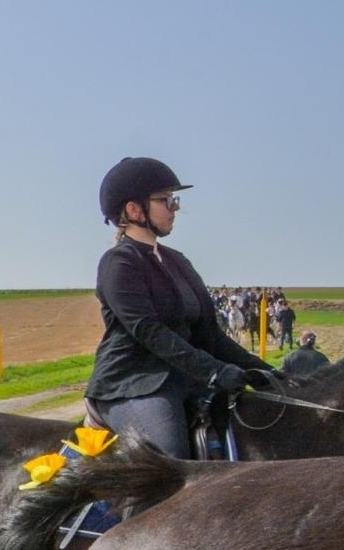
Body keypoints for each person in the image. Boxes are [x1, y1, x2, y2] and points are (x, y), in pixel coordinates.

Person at [84, 157, 275, 458]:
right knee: (171, 461)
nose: (174, 208)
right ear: (134, 210)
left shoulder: (178, 261)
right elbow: (150, 332)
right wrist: (214, 372)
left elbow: (210, 334)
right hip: (135, 383)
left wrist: (264, 372)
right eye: (165, 200)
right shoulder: (119, 262)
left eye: (174, 200)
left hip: (185, 378)